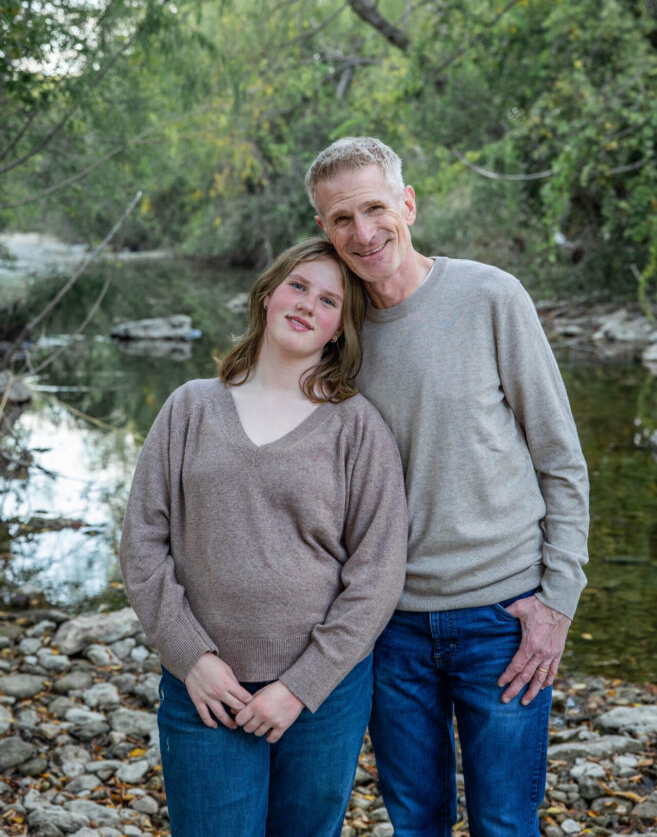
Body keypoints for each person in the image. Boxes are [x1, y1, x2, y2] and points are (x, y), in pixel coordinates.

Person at [304, 137, 590, 837]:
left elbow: (561, 459)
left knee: (503, 821)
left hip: (501, 617)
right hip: (387, 625)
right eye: (341, 219)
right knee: (417, 821)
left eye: (375, 208)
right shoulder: (334, 328)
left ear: (407, 204)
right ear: (323, 229)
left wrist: (557, 601)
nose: (363, 232)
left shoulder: (490, 296)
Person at [119, 237, 408, 837]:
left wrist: (300, 688)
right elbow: (143, 541)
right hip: (206, 691)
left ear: (339, 329)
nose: (307, 305)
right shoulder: (190, 408)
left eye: (328, 301)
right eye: (298, 286)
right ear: (268, 294)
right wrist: (189, 656)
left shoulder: (358, 428)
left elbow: (378, 574)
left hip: (320, 699)